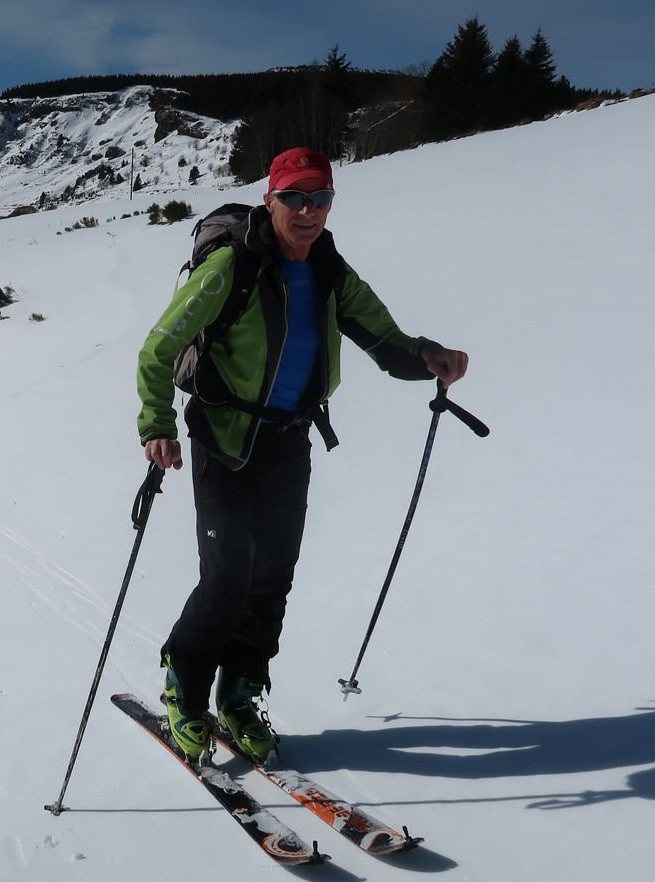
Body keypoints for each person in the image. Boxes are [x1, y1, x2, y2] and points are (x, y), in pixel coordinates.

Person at [134, 147, 469, 761]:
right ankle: (183, 688)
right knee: (228, 577)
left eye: (321, 198)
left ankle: (240, 694)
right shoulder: (232, 267)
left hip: (288, 442)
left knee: (273, 577)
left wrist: (429, 356)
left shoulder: (331, 273)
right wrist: (156, 423)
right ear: (271, 200)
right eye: (295, 197)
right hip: (224, 442)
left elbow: (385, 340)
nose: (308, 210)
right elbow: (159, 347)